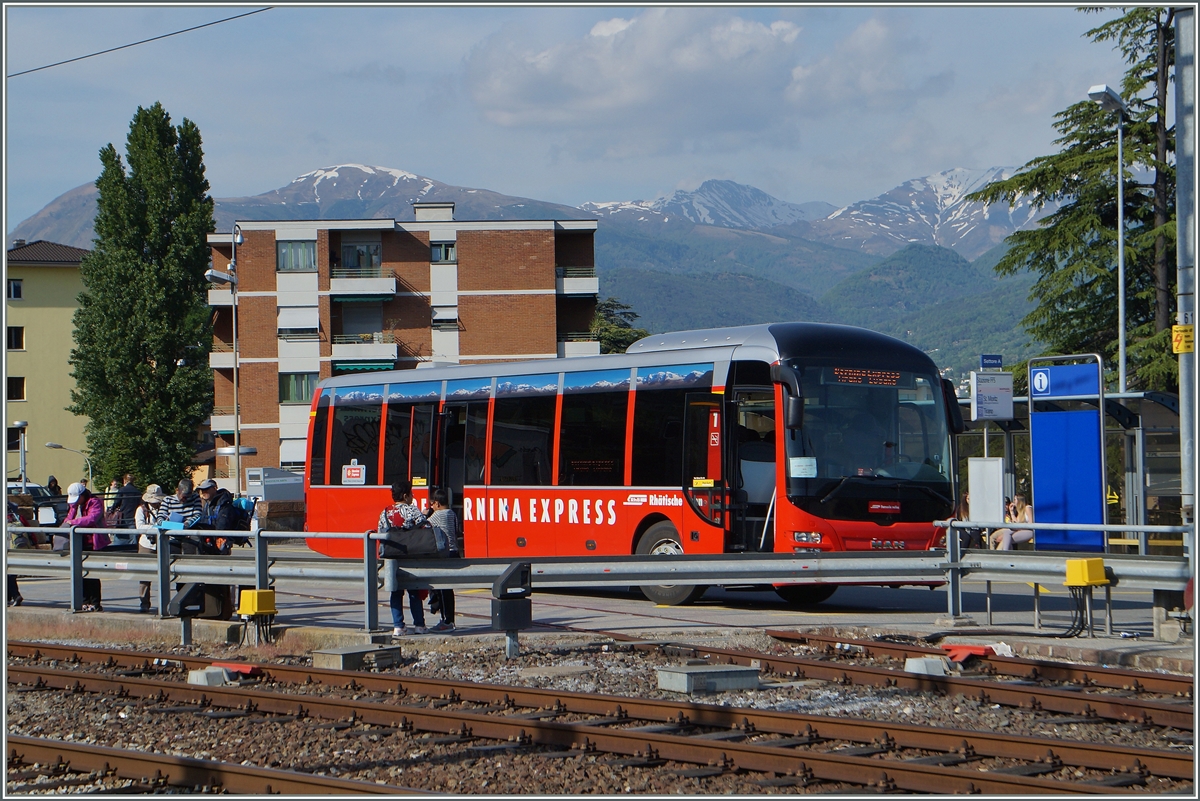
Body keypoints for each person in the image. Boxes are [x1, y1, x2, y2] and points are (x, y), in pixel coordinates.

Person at [375, 479, 428, 638]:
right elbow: (425, 526)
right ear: (405, 496)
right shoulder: (412, 510)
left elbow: (380, 531)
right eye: (411, 493)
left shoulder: (385, 512)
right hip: (410, 555)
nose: (412, 496)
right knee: (414, 591)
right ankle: (419, 625)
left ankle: (398, 626)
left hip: (392, 556)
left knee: (396, 592)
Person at [63, 482, 107, 611]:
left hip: (93, 542)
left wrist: (73, 522)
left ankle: (95, 603)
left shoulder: (95, 502)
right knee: (79, 574)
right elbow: (68, 518)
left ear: (83, 495)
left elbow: (92, 518)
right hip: (79, 542)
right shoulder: (76, 505)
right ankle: (84, 601)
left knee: (92, 574)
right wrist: (72, 510)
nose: (76, 502)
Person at [426, 488, 459, 633]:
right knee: (447, 589)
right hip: (454, 553)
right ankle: (449, 619)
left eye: (432, 504)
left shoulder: (438, 515)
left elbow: (424, 524)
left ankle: (447, 621)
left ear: (437, 503)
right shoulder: (452, 513)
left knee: (442, 588)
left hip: (444, 555)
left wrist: (426, 514)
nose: (431, 507)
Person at [135, 484, 166, 614]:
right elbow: (140, 527)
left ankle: (165, 603)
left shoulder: (164, 508)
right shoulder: (141, 510)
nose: (155, 503)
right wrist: (155, 528)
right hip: (146, 545)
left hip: (162, 543)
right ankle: (144, 603)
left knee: (164, 574)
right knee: (144, 576)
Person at [156, 478, 203, 554]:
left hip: (190, 536)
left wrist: (187, 524)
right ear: (177, 490)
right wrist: (165, 523)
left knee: (190, 557)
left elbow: (197, 515)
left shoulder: (195, 498)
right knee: (172, 558)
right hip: (172, 537)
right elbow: (160, 517)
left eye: (188, 497)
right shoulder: (167, 500)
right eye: (183, 497)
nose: (185, 499)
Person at [108, 473, 141, 547]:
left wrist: (112, 510)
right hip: (133, 516)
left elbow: (117, 502)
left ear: (125, 480)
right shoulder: (137, 491)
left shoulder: (122, 490)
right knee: (133, 538)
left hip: (123, 517)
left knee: (120, 537)